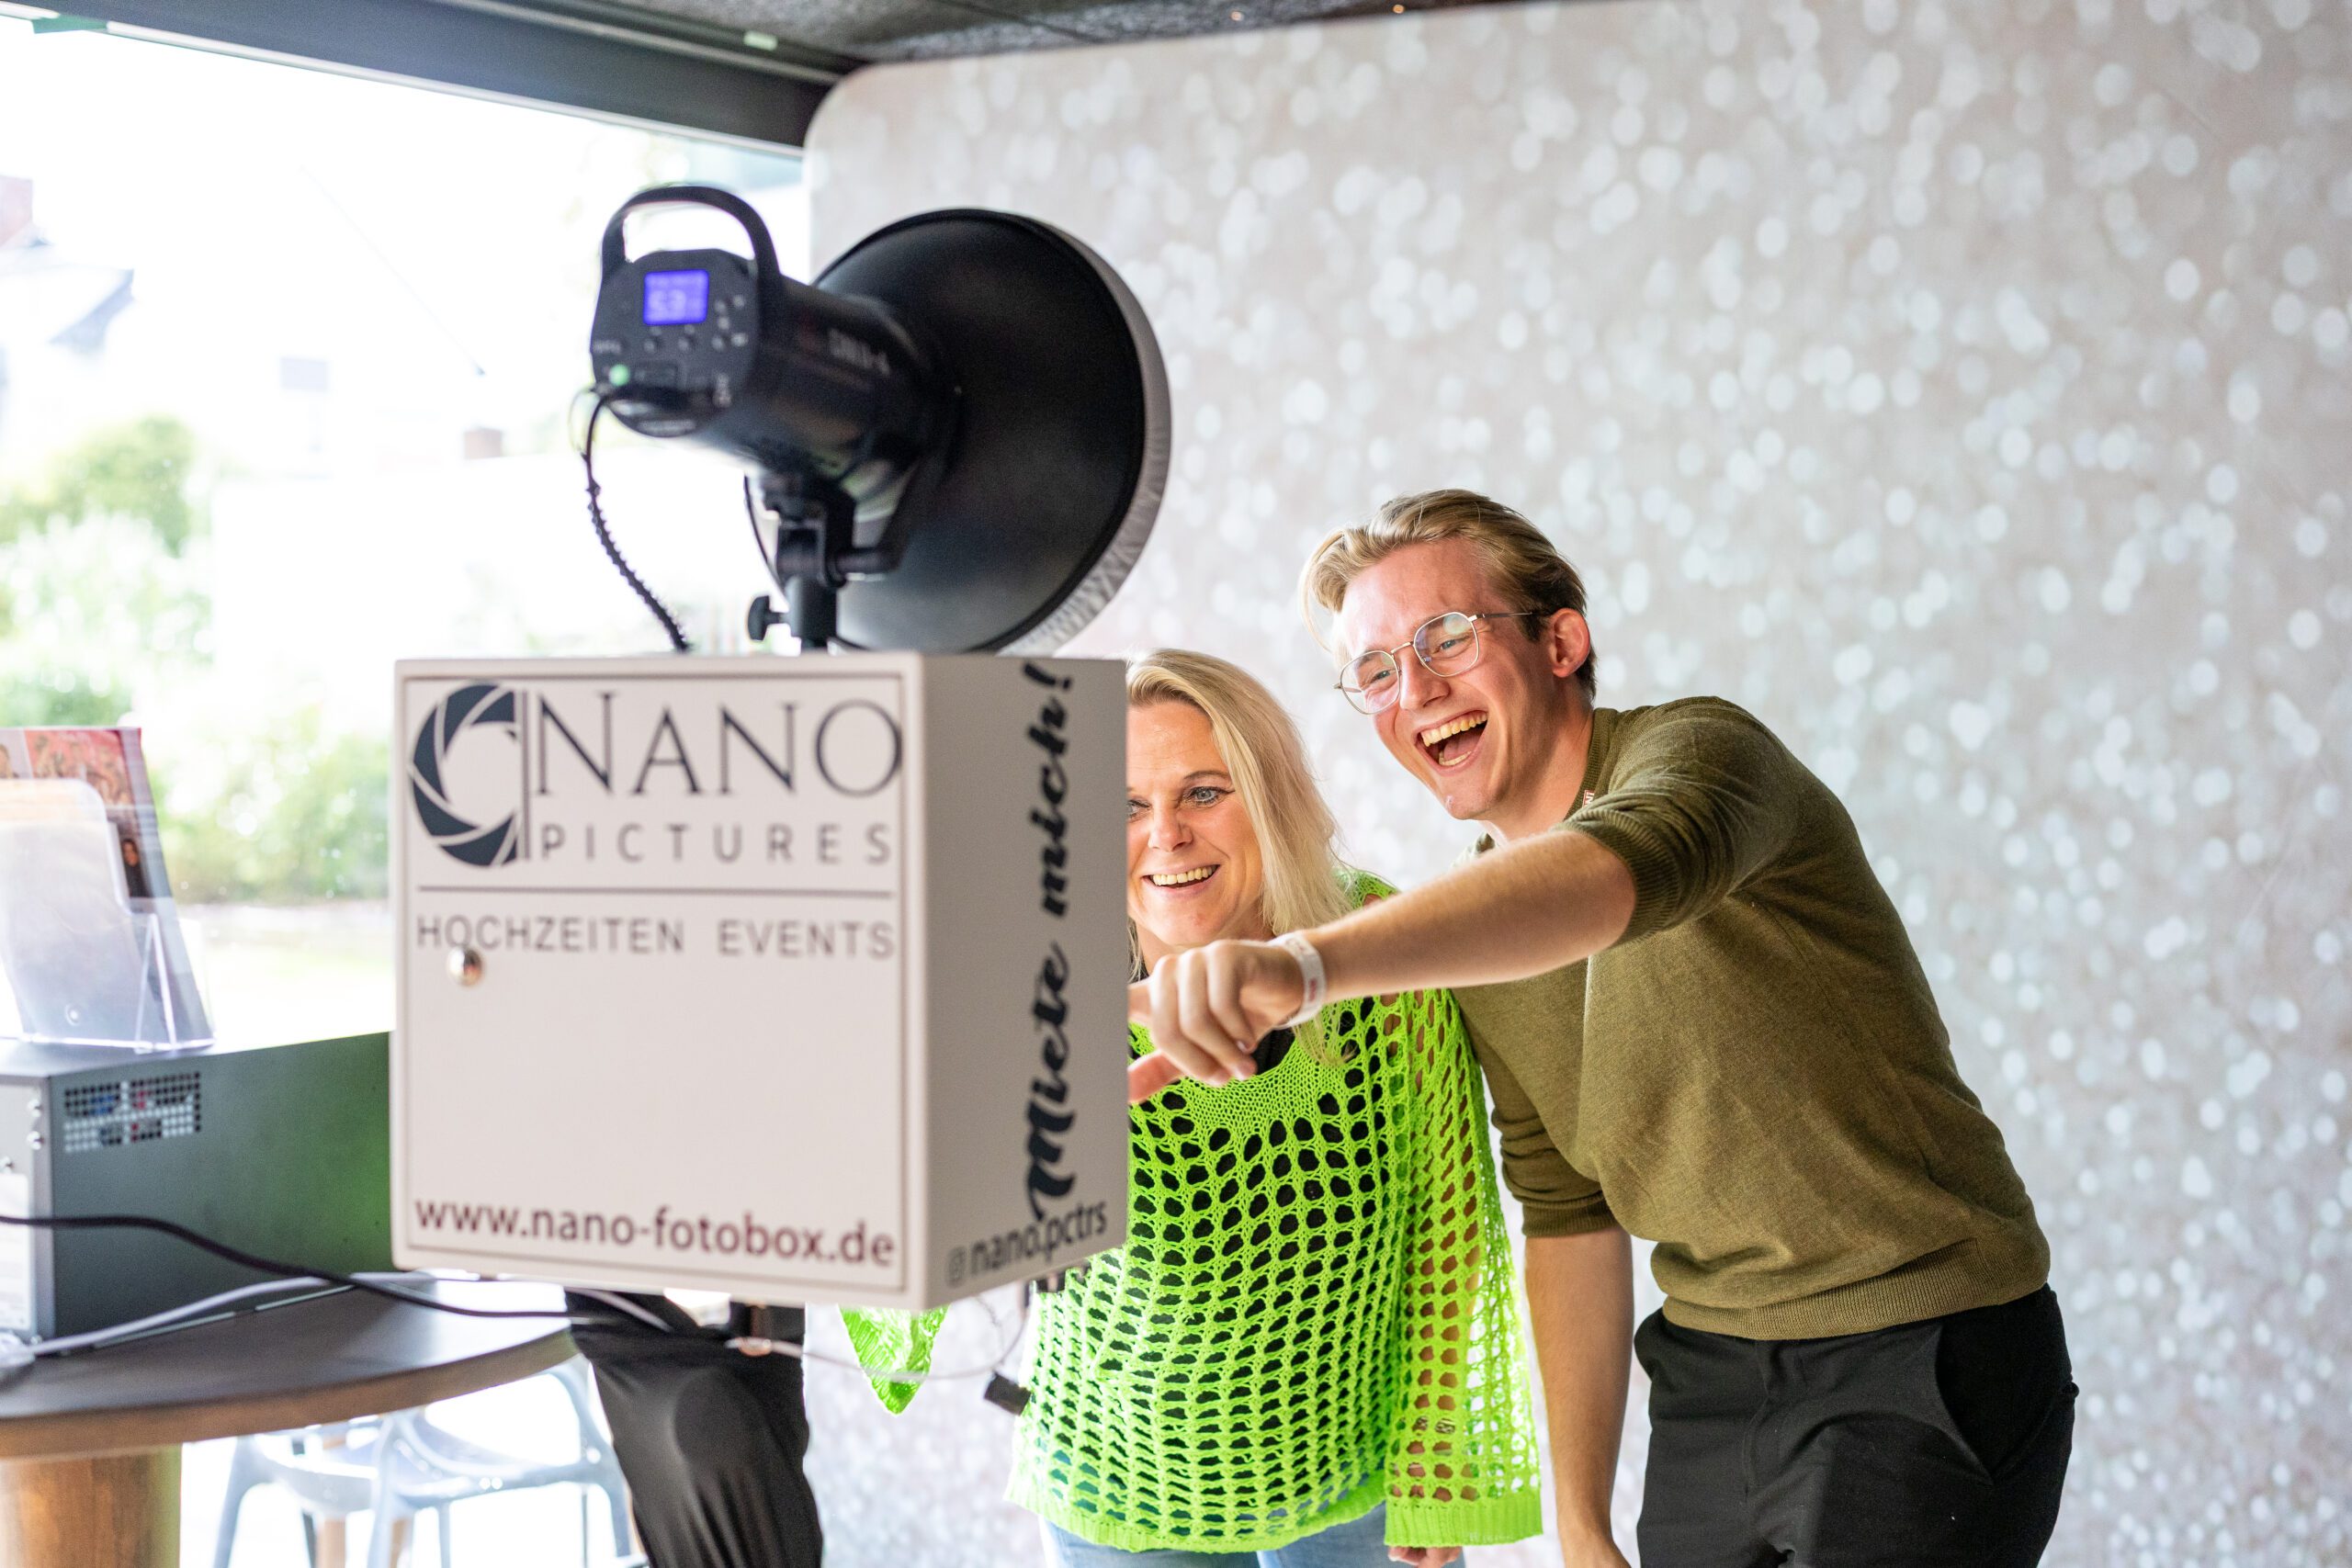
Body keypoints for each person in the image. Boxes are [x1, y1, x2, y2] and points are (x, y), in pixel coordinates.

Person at [1131, 492, 2075, 1568]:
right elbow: (1568, 1213)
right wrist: (1578, 1522)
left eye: (1446, 637)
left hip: (1919, 1347)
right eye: (1377, 671)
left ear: (1561, 642)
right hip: (1712, 1373)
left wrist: (1303, 967)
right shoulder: (1480, 945)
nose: (1416, 690)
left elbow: (1616, 868)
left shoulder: (1705, 757)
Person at [857, 649, 1543, 1568]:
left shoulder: (1374, 954)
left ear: (1270, 799)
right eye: (1125, 807)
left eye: (1204, 793)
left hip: (1353, 1474)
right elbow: (905, 1237)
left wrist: (1434, 1460)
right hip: (1114, 1479)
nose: (1166, 835)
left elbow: (1444, 1229)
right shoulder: (1035, 989)